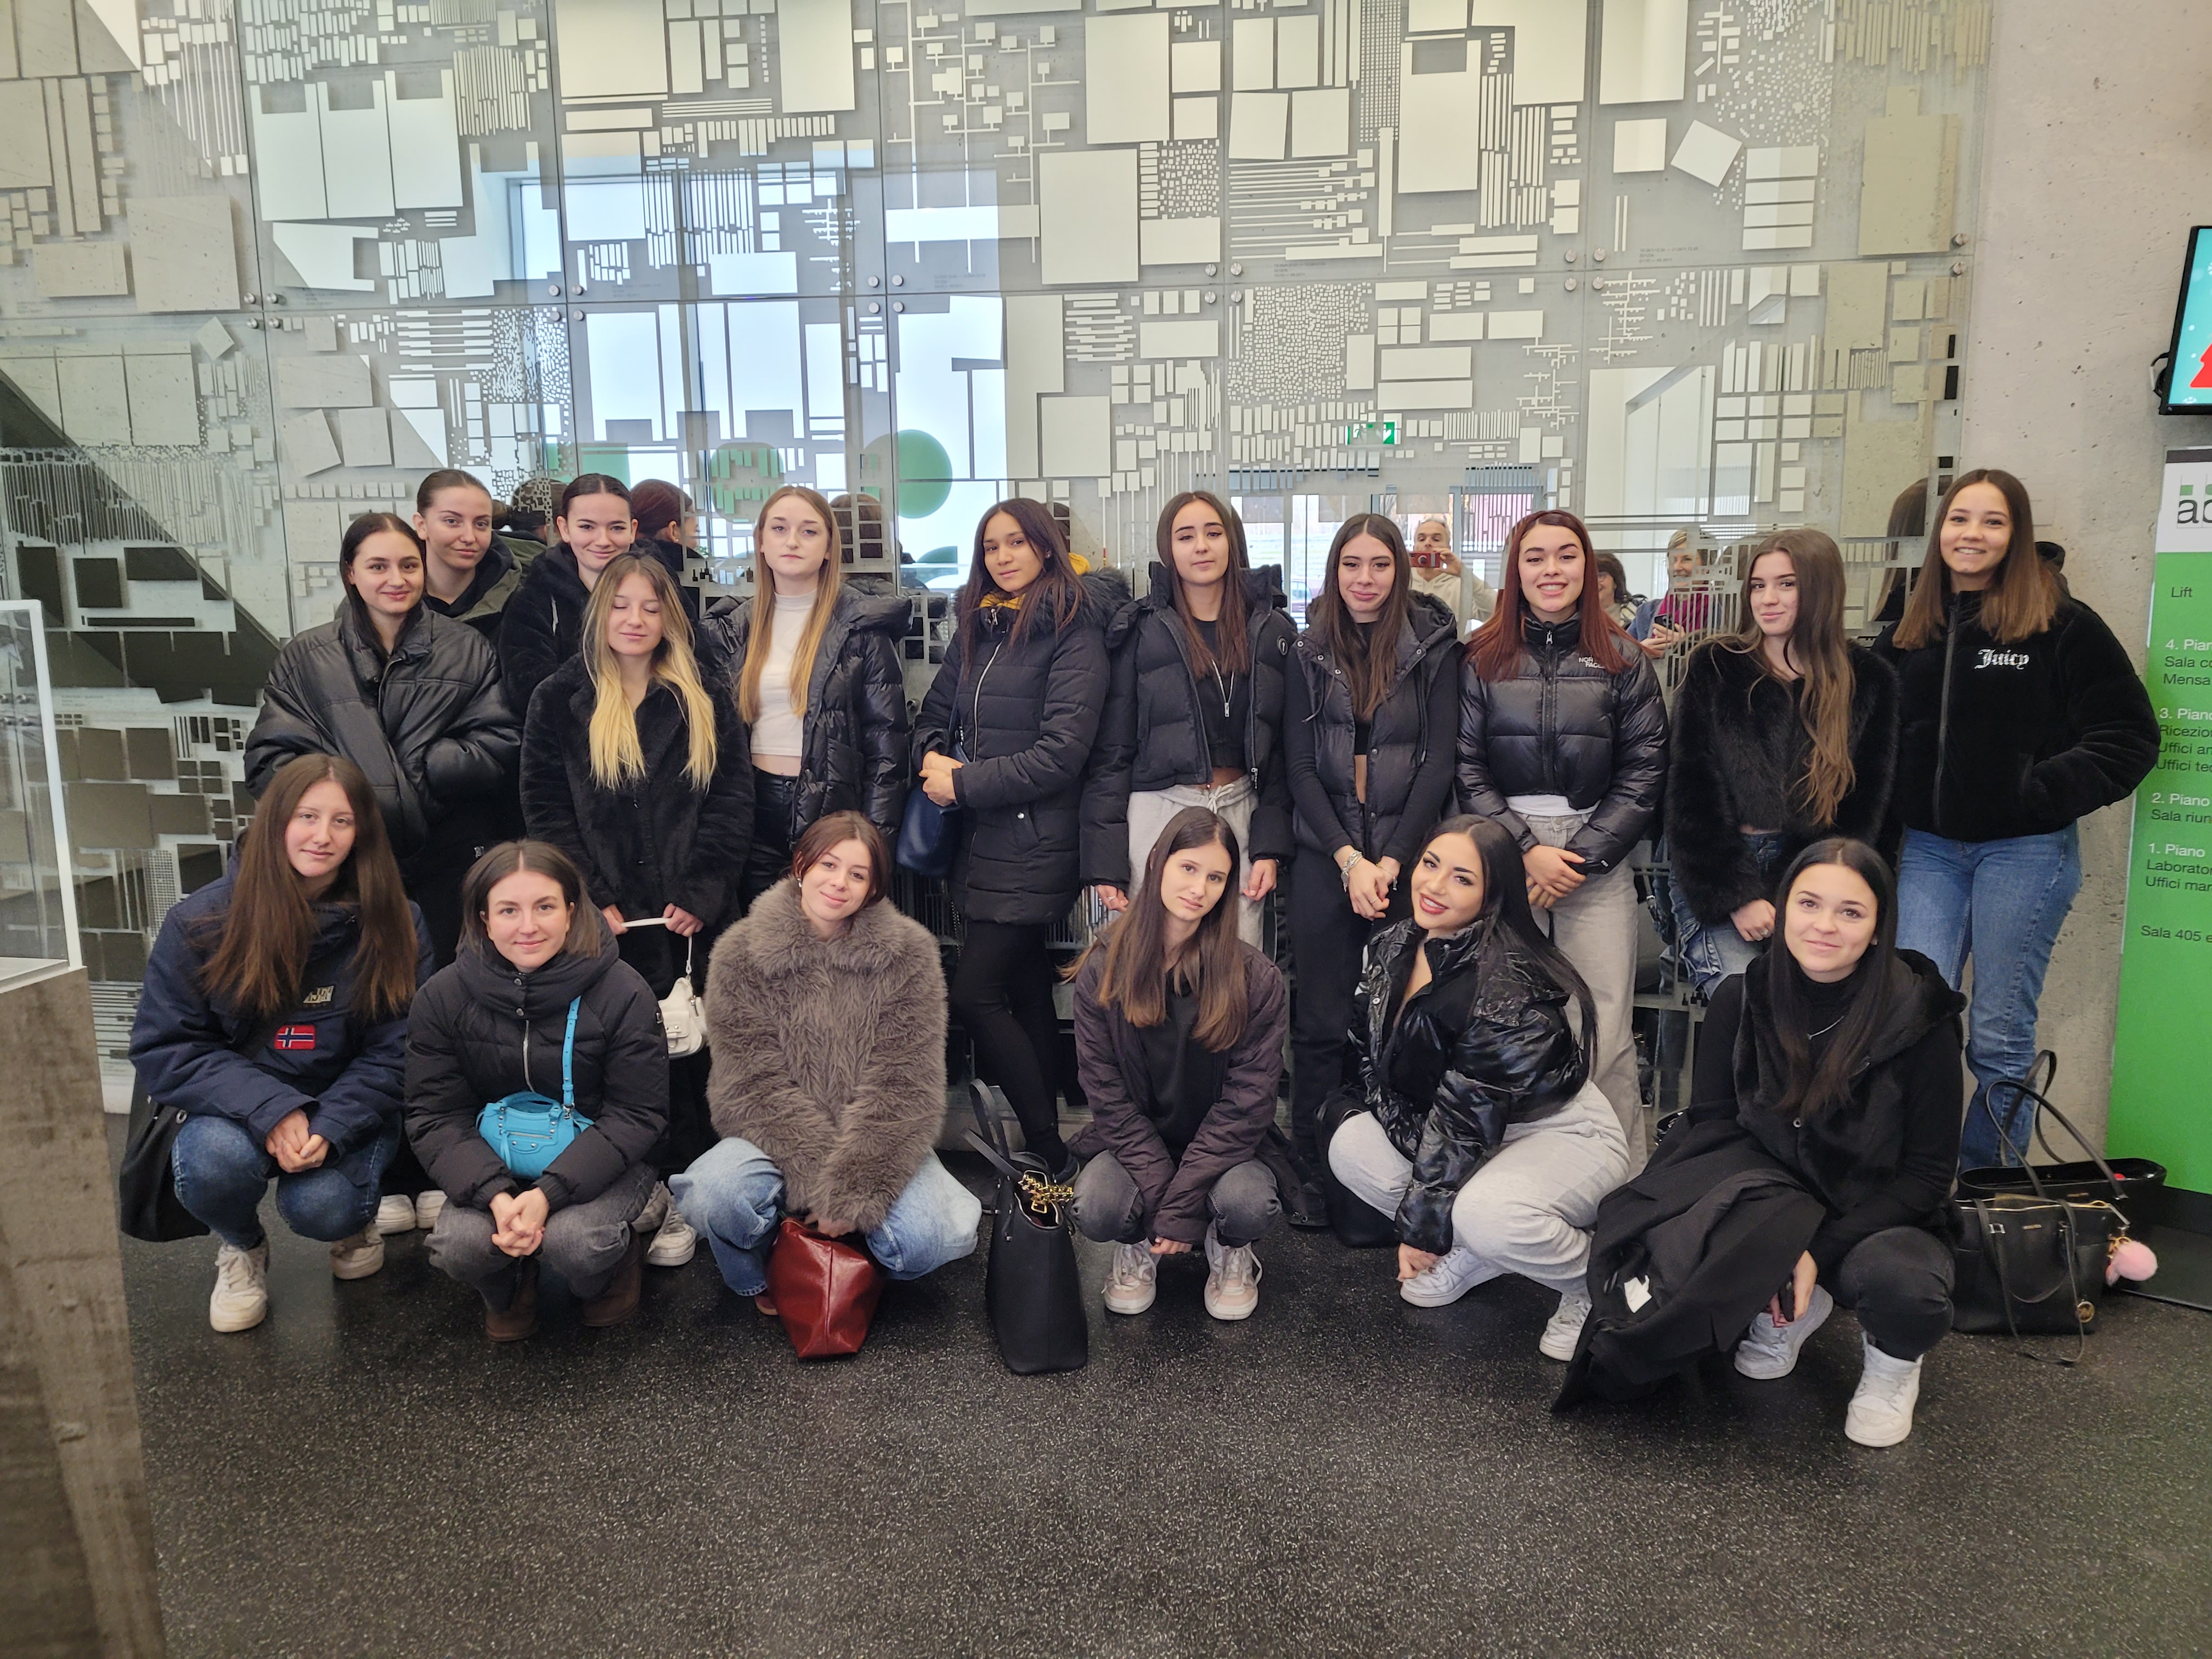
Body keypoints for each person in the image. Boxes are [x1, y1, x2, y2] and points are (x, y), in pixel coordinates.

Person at [1874, 469, 2158, 1167]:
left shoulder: (2063, 623)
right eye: (1959, 519)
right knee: (1913, 1021)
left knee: (1999, 1037)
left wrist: (2037, 792)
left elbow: (2130, 735)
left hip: (2025, 854)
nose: (1972, 534)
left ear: (2016, 534)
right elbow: (1870, 729)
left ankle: (1987, 1185)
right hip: (1931, 853)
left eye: (1992, 521)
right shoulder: (1914, 625)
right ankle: (1916, 1180)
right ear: (1940, 531)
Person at [245, 512, 518, 1235]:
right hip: (347, 869)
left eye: (407, 565)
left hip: (442, 865)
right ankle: (382, 1171)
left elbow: (500, 743)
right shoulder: (306, 657)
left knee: (444, 1017)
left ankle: (442, 1169)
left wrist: (416, 775)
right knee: (366, 1016)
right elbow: (269, 762)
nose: (396, 580)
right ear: (350, 573)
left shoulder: (465, 648)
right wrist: (361, 794)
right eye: (378, 566)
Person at [131, 754, 432, 1331]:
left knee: (322, 1207)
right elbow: (167, 1046)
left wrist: (332, 1123)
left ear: (362, 833)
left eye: (342, 821)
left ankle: (353, 1225)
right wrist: (273, 1110)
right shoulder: (201, 921)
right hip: (236, 1108)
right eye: (306, 816)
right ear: (275, 820)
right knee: (211, 1162)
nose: (323, 837)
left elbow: (403, 1047)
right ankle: (242, 1246)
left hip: (348, 1105)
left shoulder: (397, 920)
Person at [1680, 838, 1966, 1446]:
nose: (1825, 926)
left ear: (1879, 927)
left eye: (1851, 912)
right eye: (1809, 904)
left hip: (1878, 1217)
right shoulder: (1740, 998)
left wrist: (1813, 1247)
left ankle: (1892, 1365)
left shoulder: (1922, 1017)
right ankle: (1794, 1306)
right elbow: (1713, 1129)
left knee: (1906, 1293)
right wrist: (1773, 1237)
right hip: (1771, 1206)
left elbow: (1927, 1175)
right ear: (1783, 907)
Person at [520, 550, 752, 1266]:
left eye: (651, 607)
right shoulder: (560, 698)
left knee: (695, 1057)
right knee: (620, 1059)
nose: (635, 619)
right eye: (621, 605)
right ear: (600, 613)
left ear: (670, 618)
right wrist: (590, 897)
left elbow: (732, 799)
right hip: (607, 923)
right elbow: (545, 809)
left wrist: (703, 891)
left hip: (690, 923)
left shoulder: (702, 694)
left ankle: (690, 1190)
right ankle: (641, 1182)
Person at [1325, 816, 1628, 1355]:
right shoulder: (1395, 942)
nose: (1436, 886)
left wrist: (1423, 1227)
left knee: (1485, 1214)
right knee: (1351, 1146)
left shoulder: (1506, 981)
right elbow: (1371, 1057)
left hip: (1559, 1132)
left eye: (1463, 879)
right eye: (1431, 865)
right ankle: (1478, 1248)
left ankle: (1595, 1282)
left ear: (1492, 896)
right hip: (1469, 1127)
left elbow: (1466, 1116)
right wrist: (1429, 1214)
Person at [672, 813, 981, 1308]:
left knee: (934, 1237)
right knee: (711, 1194)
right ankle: (770, 1270)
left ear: (873, 888)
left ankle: (850, 1267)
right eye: (828, 865)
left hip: (878, 1144)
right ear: (801, 866)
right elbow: (747, 1086)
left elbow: (908, 1086)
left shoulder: (909, 955)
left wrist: (856, 1191)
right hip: (775, 1141)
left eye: (858, 874)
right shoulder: (739, 953)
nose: (839, 883)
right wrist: (823, 1186)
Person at [1457, 508, 1666, 1165]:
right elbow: (1466, 767)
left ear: (1588, 566)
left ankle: (1618, 1182)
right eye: (1536, 557)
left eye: (1566, 556)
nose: (1552, 570)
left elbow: (1645, 772)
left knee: (1604, 1025)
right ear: (1515, 570)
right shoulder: (1482, 659)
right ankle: (1510, 1175)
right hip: (1502, 854)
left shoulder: (1623, 659)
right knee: (1501, 1022)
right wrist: (1524, 851)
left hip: (1594, 857)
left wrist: (1577, 858)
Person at [913, 498, 1111, 1172]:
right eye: (991, 546)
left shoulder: (1074, 629)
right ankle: (1051, 1140)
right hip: (978, 841)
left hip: (1034, 841)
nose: (1003, 557)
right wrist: (931, 755)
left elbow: (1062, 754)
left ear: (1046, 548)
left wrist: (964, 783)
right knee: (1024, 991)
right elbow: (936, 710)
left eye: (1017, 542)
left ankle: (1049, 1151)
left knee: (976, 994)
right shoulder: (981, 625)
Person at [405, 842, 670, 1340]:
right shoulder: (441, 998)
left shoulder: (623, 991)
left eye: (545, 907)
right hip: (493, 1160)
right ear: (484, 920)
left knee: (577, 1244)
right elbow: (435, 1115)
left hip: (604, 1160)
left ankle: (611, 1268)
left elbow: (637, 1115)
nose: (528, 926)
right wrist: (496, 1196)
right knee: (459, 1246)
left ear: (571, 912)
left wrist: (548, 1195)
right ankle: (507, 1286)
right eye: (509, 910)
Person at [1282, 513, 1460, 1220]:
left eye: (1379, 565)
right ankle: (1312, 1173)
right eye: (1351, 565)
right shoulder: (1306, 649)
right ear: (1334, 571)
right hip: (1326, 854)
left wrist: (1389, 861)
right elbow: (1299, 769)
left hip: (1408, 860)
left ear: (1400, 570)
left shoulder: (1434, 647)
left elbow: (1438, 762)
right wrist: (1350, 858)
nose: (1365, 579)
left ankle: (1399, 1174)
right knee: (1320, 1023)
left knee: (1400, 1022)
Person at [1070, 806, 1290, 1321]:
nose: (1199, 888)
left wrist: (1182, 1200)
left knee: (1249, 1205)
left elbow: (1248, 1105)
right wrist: (1163, 1193)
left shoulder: (1256, 978)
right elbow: (1107, 1097)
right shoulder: (1103, 969)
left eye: (1216, 877)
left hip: (1228, 1149)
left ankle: (1230, 1248)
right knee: (1097, 1208)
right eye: (1188, 868)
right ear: (1157, 862)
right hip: (1134, 1143)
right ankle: (1137, 1244)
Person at [1664, 529, 1899, 997]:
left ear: (1821, 590)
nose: (1767, 599)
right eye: (1758, 585)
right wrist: (1737, 895)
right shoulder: (1716, 665)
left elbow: (1865, 812)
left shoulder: (1868, 680)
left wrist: (1794, 895)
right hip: (1719, 868)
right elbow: (1692, 792)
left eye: (1786, 584)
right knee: (1742, 998)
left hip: (1820, 877)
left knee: (1810, 1008)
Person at [1082, 491, 1295, 950]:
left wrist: (1270, 847)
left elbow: (1282, 750)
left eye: (1213, 533)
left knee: (1237, 960)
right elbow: (1113, 752)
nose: (1201, 546)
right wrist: (1105, 863)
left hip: (1241, 808)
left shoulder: (1271, 629)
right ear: (1168, 549)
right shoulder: (1141, 628)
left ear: (1232, 542)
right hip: (1158, 809)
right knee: (1149, 959)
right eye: (1186, 536)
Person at [701, 484, 912, 913]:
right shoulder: (732, 629)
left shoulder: (861, 629)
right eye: (779, 529)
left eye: (809, 531)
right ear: (761, 542)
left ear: (830, 547)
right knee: (761, 937)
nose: (792, 541)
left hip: (835, 811)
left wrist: (875, 848)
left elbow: (887, 751)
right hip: (752, 809)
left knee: (832, 940)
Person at [497, 473, 636, 712]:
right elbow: (530, 690)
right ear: (564, 528)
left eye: (616, 527)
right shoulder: (536, 599)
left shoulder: (660, 589)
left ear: (632, 530)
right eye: (587, 527)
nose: (603, 540)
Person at [415, 469, 534, 644]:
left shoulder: (522, 603)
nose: (469, 537)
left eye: (481, 524)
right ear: (421, 525)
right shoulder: (393, 599)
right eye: (452, 521)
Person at [629, 479, 704, 629]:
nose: (697, 543)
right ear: (673, 531)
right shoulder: (694, 581)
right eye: (696, 531)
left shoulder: (615, 572)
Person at [1409, 515, 1496, 631]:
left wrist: (1464, 574)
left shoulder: (1459, 586)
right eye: (1421, 539)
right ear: (1414, 547)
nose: (1428, 543)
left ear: (1448, 548)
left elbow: (1495, 610)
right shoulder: (1402, 582)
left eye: (1436, 539)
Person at [1592, 553, 1640, 630]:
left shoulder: (1638, 615)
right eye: (1590, 577)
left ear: (1616, 582)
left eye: (1600, 576)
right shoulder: (1578, 617)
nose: (1594, 582)